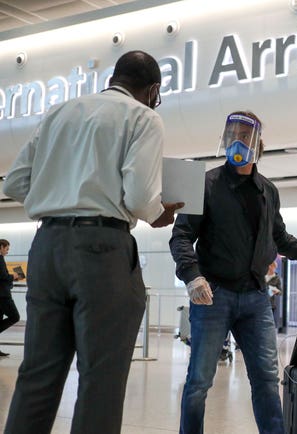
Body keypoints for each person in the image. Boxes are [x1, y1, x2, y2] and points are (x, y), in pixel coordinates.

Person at [2, 50, 183, 434]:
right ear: (152, 90)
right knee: (100, 378)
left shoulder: (59, 112)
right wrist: (158, 214)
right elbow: (138, 197)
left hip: (47, 246)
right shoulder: (144, 117)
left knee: (38, 373)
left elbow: (15, 183)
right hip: (102, 249)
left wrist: (59, 191)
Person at [169, 110, 297, 434]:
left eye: (245, 135)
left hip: (255, 298)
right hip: (213, 297)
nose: (238, 140)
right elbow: (181, 236)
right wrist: (192, 276)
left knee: (265, 379)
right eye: (232, 133)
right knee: (198, 382)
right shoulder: (202, 183)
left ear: (258, 144)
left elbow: (281, 239)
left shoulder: (267, 191)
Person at [0, 239, 20, 357]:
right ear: (1, 247)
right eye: (6, 249)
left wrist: (12, 278)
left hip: (1, 294)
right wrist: (13, 276)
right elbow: (2, 276)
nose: (7, 251)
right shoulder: (0, 259)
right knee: (15, 316)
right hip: (3, 295)